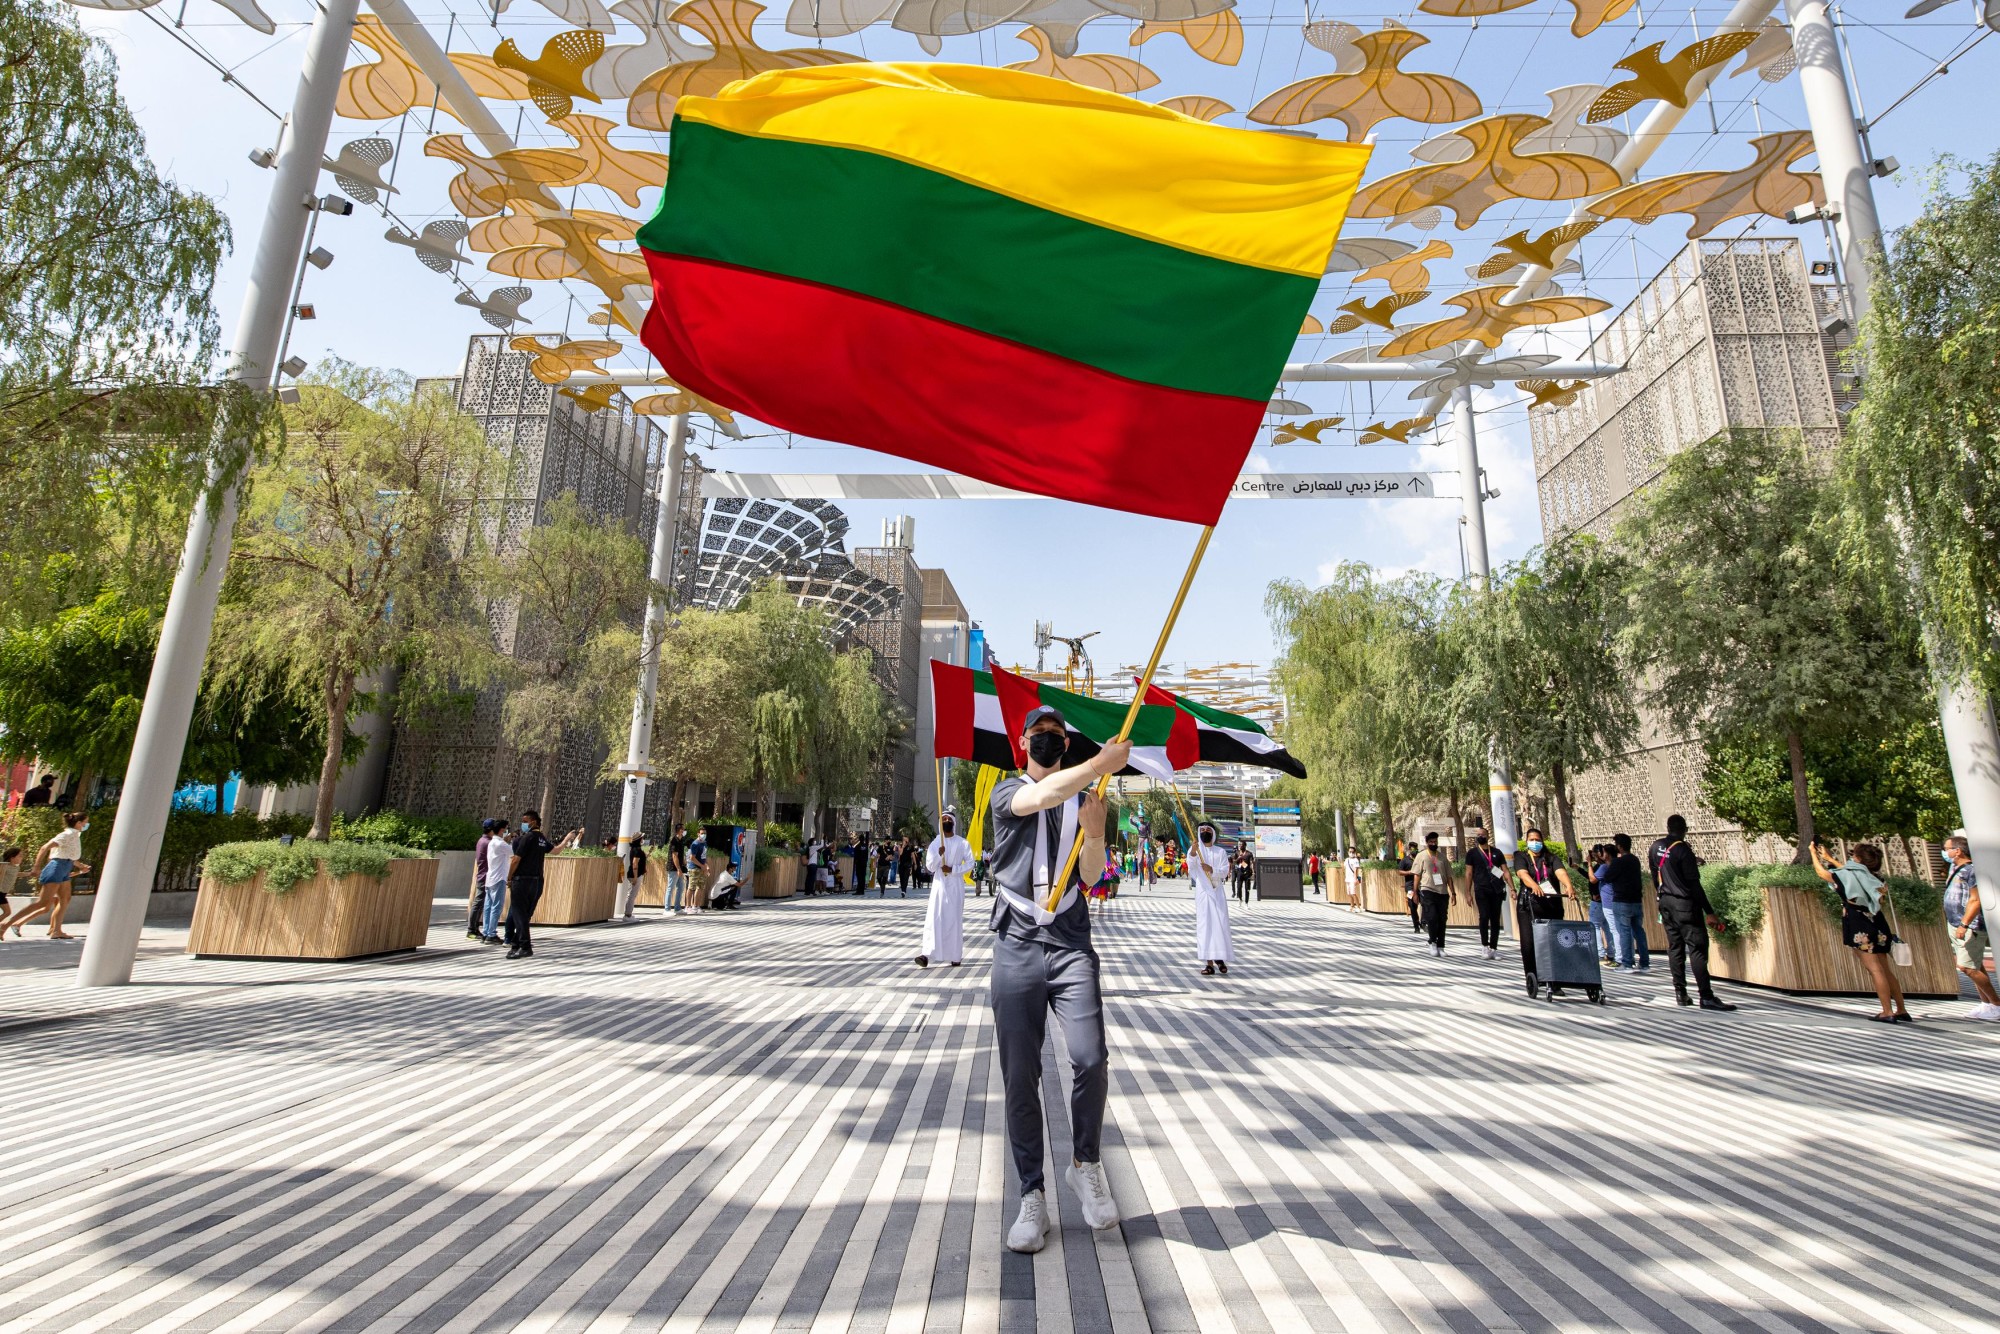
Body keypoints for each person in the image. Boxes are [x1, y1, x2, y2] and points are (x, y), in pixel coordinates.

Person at [988, 704, 1127, 1253]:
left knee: (1090, 1058)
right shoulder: (1007, 791)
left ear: (1065, 744)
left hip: (1070, 940)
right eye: (1039, 734)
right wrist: (1101, 762)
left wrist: (1094, 835)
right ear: (1023, 742)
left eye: (1056, 735)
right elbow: (1039, 798)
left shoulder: (1085, 801)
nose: (1048, 741)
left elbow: (1091, 877)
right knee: (1021, 1073)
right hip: (1017, 941)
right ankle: (1031, 1194)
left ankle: (1084, 1165)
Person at [1809, 841, 1910, 1022]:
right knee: (1885, 969)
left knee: (1875, 970)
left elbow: (1822, 873)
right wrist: (1830, 858)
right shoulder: (1875, 877)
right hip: (1878, 922)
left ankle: (1886, 1011)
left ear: (1857, 858)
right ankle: (1901, 1009)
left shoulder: (1849, 874)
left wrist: (1813, 855)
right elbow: (1854, 874)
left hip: (1859, 923)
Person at [1649, 815, 1737, 1011]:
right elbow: (1694, 885)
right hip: (1685, 905)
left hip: (1666, 903)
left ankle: (1680, 993)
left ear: (1668, 827)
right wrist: (1709, 911)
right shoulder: (1683, 850)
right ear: (1685, 829)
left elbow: (1656, 876)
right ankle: (1706, 996)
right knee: (1697, 948)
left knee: (1675, 947)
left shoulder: (1656, 847)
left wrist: (1662, 896)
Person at [5, 812, 92, 941]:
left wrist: (80, 866)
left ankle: (56, 930)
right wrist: (36, 867)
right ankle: (6, 924)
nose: (86, 825)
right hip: (57, 868)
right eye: (85, 822)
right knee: (43, 903)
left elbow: (68, 856)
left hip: (65, 867)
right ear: (79, 823)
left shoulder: (74, 835)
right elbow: (44, 848)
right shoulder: (66, 835)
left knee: (65, 899)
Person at [1940, 836, 2000, 1017]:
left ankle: (1997, 1004)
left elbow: (1975, 900)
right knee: (1975, 964)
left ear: (1957, 851)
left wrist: (1964, 924)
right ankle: (1986, 1004)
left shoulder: (1971, 871)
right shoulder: (1956, 868)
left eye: (1947, 848)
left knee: (1967, 967)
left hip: (1969, 925)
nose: (1945, 852)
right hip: (1955, 922)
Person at [504, 811, 577, 959]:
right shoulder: (541, 839)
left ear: (534, 822)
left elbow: (516, 860)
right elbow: (556, 851)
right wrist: (567, 839)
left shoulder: (527, 838)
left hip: (522, 880)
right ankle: (517, 944)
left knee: (519, 913)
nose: (523, 823)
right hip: (537, 881)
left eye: (526, 821)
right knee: (526, 915)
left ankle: (524, 946)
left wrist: (509, 877)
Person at [1510, 827, 1572, 993]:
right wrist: (1534, 886)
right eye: (1531, 840)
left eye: (1537, 840)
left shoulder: (1551, 858)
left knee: (1555, 942)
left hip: (1551, 905)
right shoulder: (1521, 856)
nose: (1535, 843)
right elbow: (1522, 874)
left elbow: (1560, 872)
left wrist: (1569, 885)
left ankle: (1555, 981)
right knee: (1529, 944)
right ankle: (1533, 978)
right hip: (1529, 906)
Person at [918, 810, 971, 967]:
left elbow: (970, 863)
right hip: (939, 886)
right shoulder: (936, 843)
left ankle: (955, 956)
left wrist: (953, 869)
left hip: (955, 887)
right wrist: (938, 855)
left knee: (953, 920)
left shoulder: (962, 843)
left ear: (953, 823)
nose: (946, 821)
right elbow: (930, 866)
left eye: (949, 819)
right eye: (944, 819)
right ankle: (926, 954)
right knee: (934, 918)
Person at [1190, 820, 1233, 975]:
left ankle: (1220, 958)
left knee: (1219, 925)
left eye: (1208, 830)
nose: (1205, 832)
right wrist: (1193, 852)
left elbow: (1224, 871)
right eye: (1203, 830)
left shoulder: (1220, 852)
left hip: (1217, 893)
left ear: (1213, 834)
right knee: (1205, 927)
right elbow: (1191, 867)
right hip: (1203, 894)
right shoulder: (1195, 850)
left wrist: (1211, 869)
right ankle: (1209, 964)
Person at [1603, 833, 1650, 972]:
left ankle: (1627, 963)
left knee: (1624, 932)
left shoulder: (1618, 862)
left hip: (1622, 900)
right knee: (1639, 931)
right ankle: (1645, 963)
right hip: (1636, 900)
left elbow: (1608, 877)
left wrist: (1608, 863)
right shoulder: (1635, 860)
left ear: (1619, 846)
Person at [1409, 830, 1456, 958]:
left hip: (1442, 892)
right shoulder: (1421, 856)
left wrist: (1453, 893)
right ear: (1427, 843)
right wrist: (1415, 892)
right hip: (1427, 890)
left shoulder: (1442, 857)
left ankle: (1441, 945)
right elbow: (1416, 875)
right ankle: (1432, 942)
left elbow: (1449, 876)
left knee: (1442, 919)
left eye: (1435, 841)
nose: (1433, 843)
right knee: (1432, 918)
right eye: (1431, 842)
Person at [1464, 828, 1509, 959]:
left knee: (1495, 918)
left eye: (1482, 835)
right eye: (1478, 835)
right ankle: (1485, 946)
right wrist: (1467, 892)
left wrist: (1512, 887)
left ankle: (1494, 948)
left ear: (1488, 836)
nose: (1480, 837)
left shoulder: (1496, 852)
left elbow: (1504, 870)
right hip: (1481, 889)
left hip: (1496, 889)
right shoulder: (1472, 853)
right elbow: (1468, 873)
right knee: (1484, 916)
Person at [478, 817, 510, 944]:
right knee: (496, 907)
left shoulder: (492, 842)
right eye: (506, 828)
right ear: (502, 829)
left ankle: (486, 932)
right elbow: (515, 851)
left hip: (490, 877)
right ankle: (491, 933)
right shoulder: (500, 844)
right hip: (499, 878)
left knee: (488, 906)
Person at [469, 819, 500, 940]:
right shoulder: (488, 843)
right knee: (479, 902)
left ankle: (475, 928)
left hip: (484, 875)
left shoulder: (483, 841)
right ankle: (472, 929)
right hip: (485, 876)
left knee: (482, 903)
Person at [617, 832, 648, 919]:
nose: (643, 839)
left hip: (635, 874)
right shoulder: (637, 850)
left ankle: (628, 913)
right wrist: (635, 877)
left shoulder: (634, 849)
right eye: (642, 838)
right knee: (632, 894)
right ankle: (628, 914)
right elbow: (635, 864)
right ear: (639, 839)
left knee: (631, 894)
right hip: (635, 875)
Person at [1398, 840, 1422, 933]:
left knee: (1425, 904)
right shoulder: (1405, 860)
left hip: (1421, 885)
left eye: (1415, 848)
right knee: (1412, 905)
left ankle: (1423, 921)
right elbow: (1400, 872)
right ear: (1409, 849)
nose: (1413, 850)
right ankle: (1416, 926)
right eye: (1412, 848)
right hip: (1410, 886)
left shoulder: (1420, 859)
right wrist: (1409, 872)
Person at [668, 823, 692, 914]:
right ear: (680, 830)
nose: (684, 831)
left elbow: (681, 855)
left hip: (680, 868)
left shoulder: (681, 840)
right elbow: (674, 856)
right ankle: (667, 908)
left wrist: (684, 863)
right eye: (683, 829)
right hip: (673, 868)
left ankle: (677, 908)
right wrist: (678, 869)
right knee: (670, 888)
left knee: (681, 887)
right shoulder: (674, 840)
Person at [1343, 846, 1363, 913]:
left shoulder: (1355, 860)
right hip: (1347, 879)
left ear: (1355, 852)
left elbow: (1356, 870)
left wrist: (1355, 879)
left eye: (1352, 852)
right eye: (1350, 852)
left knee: (1353, 893)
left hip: (1352, 879)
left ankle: (1358, 907)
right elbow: (1344, 867)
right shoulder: (1346, 860)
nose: (1351, 853)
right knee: (1349, 893)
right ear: (1348, 852)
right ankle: (1351, 906)